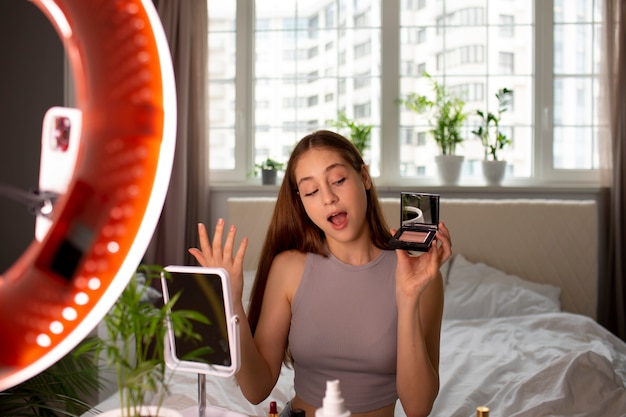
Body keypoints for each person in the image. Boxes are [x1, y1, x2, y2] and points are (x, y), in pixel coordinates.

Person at [189, 130, 452, 417]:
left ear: (364, 177)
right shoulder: (288, 268)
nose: (328, 197)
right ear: (301, 201)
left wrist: (409, 297)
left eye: (338, 180)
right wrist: (232, 304)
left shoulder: (418, 275)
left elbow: (418, 408)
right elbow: (256, 389)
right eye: (311, 191)